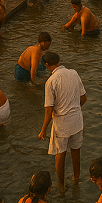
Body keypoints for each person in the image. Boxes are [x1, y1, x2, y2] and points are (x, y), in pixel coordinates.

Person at [38, 51, 86, 191]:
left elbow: (49, 110)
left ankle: (61, 186)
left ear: (47, 65)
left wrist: (43, 130)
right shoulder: (74, 73)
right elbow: (83, 99)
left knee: (60, 154)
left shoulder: (51, 82)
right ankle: (76, 178)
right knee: (76, 150)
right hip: (77, 120)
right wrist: (74, 109)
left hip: (62, 124)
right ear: (59, 61)